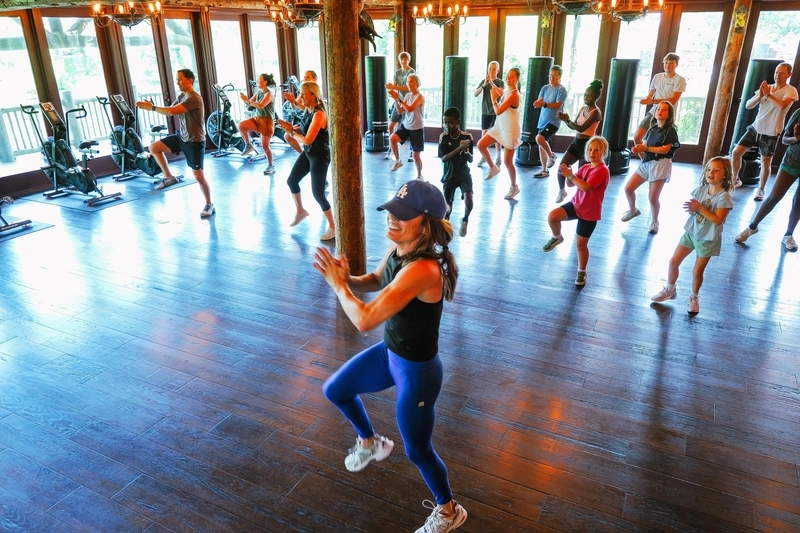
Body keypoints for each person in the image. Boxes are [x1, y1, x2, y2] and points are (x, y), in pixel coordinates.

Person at [315, 179, 467, 533]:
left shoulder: (423, 269)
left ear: (426, 223)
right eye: (391, 211)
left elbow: (364, 320)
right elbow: (375, 279)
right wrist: (347, 278)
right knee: (335, 389)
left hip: (417, 374)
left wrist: (338, 286)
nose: (392, 219)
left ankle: (449, 511)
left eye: (403, 215)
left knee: (417, 450)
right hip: (390, 354)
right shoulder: (400, 252)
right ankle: (370, 442)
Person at [652, 156, 734, 314]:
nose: (711, 173)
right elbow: (694, 209)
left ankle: (694, 297)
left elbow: (717, 220)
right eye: (709, 169)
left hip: (707, 239)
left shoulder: (724, 198)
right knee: (673, 262)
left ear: (725, 174)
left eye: (717, 170)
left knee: (697, 271)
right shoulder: (702, 189)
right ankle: (670, 289)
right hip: (691, 232)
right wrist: (692, 209)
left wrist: (700, 208)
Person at [135, 68, 214, 218]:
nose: (177, 82)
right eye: (176, 79)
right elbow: (170, 109)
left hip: (195, 141)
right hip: (182, 137)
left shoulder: (194, 98)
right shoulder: (182, 96)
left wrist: (151, 108)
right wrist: (152, 106)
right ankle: (169, 177)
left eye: (179, 79)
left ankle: (209, 204)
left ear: (189, 80)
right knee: (154, 147)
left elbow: (172, 112)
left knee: (198, 176)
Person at [542, 136, 610, 287]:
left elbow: (586, 187)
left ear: (604, 152)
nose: (593, 153)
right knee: (553, 216)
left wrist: (571, 176)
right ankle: (557, 237)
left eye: (597, 150)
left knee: (580, 245)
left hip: (590, 213)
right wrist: (568, 174)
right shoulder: (585, 167)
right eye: (590, 149)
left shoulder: (602, 170)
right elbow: (571, 185)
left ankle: (582, 271)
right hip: (576, 205)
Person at [276, 81, 335, 242]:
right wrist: (291, 128)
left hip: (320, 156)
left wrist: (290, 132)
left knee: (318, 194)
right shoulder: (309, 110)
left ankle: (333, 226)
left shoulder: (319, 114)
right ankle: (300, 210)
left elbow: (308, 140)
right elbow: (303, 129)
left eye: (303, 94)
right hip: (309, 154)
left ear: (313, 95)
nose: (300, 97)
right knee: (291, 181)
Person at [734, 108, 800, 251]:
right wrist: (796, 138)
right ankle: (752, 227)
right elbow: (784, 139)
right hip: (792, 162)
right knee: (774, 197)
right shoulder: (798, 113)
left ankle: (788, 235)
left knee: (798, 202)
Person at [730, 62, 798, 197]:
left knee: (765, 161)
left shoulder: (790, 90)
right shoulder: (768, 88)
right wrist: (760, 96)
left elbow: (782, 106)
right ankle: (735, 179)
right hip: (755, 127)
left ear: (789, 74)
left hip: (771, 131)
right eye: (776, 72)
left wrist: (768, 95)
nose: (778, 75)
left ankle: (761, 189)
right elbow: (748, 106)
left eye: (782, 73)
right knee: (736, 152)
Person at [621, 101, 680, 234]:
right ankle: (633, 210)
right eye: (658, 108)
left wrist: (646, 148)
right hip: (647, 162)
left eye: (664, 110)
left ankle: (655, 222)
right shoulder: (652, 128)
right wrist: (638, 148)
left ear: (669, 114)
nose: (660, 111)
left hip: (660, 164)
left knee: (653, 198)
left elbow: (665, 150)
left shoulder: (670, 130)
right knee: (628, 188)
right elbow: (645, 143)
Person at [554, 79, 603, 204]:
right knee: (562, 166)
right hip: (576, 142)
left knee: (584, 175)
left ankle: (581, 199)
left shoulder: (596, 112)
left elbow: (582, 128)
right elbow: (574, 126)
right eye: (585, 95)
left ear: (596, 96)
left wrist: (567, 120)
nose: (586, 98)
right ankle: (561, 191)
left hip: (587, 146)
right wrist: (566, 120)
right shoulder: (583, 109)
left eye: (589, 95)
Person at [477, 67, 522, 200]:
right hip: (500, 126)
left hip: (510, 130)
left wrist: (493, 99)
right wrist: (491, 83)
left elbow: (498, 111)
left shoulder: (515, 94)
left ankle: (514, 187)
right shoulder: (507, 91)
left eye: (512, 76)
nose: (509, 78)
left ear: (517, 79)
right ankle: (493, 167)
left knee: (508, 162)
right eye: (508, 76)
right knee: (480, 144)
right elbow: (500, 91)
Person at [634, 53, 686, 148]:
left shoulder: (680, 80)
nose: (668, 65)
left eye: (671, 63)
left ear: (676, 64)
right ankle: (644, 162)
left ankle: (654, 161)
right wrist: (645, 100)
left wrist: (653, 101)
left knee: (659, 144)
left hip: (667, 115)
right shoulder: (657, 77)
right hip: (654, 112)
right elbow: (650, 95)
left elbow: (673, 100)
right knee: (637, 137)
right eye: (666, 63)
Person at [438, 107, 473, 237]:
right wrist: (459, 148)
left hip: (463, 173)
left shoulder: (467, 136)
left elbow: (471, 159)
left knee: (469, 200)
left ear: (458, 122)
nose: (447, 125)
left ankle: (465, 219)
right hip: (449, 175)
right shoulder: (444, 137)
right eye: (445, 122)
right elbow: (444, 158)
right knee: (447, 208)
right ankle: (445, 230)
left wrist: (466, 150)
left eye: (450, 122)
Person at [532, 65, 568, 179]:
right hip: (542, 120)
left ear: (560, 77)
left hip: (554, 121)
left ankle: (552, 156)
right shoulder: (545, 88)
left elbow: (558, 105)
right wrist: (537, 103)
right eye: (550, 75)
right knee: (540, 145)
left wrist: (545, 104)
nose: (552, 77)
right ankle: (544, 170)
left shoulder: (561, 90)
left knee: (539, 138)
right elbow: (540, 101)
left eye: (555, 75)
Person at [388, 74, 425, 180]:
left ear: (417, 83)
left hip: (417, 128)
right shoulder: (408, 96)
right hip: (406, 125)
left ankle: (419, 175)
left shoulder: (420, 96)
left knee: (416, 156)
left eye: (411, 81)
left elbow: (409, 109)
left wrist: (398, 98)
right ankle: (398, 161)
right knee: (392, 138)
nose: (409, 84)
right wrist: (396, 99)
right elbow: (400, 111)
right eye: (408, 82)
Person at [238, 73, 276, 174]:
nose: (257, 81)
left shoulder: (269, 94)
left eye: (259, 80)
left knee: (265, 146)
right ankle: (248, 145)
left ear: (265, 82)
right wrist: (245, 100)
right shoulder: (259, 92)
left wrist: (248, 101)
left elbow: (260, 105)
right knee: (241, 125)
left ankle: (270, 165)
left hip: (267, 122)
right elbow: (249, 104)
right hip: (257, 119)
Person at [385, 52, 416, 163]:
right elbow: (394, 86)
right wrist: (390, 88)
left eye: (406, 59)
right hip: (398, 102)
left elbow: (408, 88)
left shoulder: (411, 72)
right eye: (402, 59)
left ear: (409, 60)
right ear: (400, 60)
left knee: (411, 127)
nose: (404, 61)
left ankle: (413, 151)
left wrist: (394, 87)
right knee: (391, 125)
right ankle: (390, 149)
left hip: (409, 101)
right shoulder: (397, 72)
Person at [473, 61, 504, 168]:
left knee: (496, 135)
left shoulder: (500, 82)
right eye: (490, 69)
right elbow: (475, 94)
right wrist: (484, 85)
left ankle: (499, 157)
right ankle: (483, 157)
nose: (492, 71)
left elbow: (502, 93)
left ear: (498, 71)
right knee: (484, 133)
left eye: (494, 69)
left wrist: (492, 83)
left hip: (496, 111)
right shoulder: (484, 81)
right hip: (485, 111)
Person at [283, 70, 319, 155]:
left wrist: (295, 102)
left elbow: (308, 108)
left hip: (312, 120)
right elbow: (295, 107)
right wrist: (292, 101)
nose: (305, 79)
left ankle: (305, 155)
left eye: (308, 77)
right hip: (306, 119)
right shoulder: (303, 91)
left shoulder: (316, 92)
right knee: (287, 135)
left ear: (315, 79)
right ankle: (303, 154)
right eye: (304, 77)